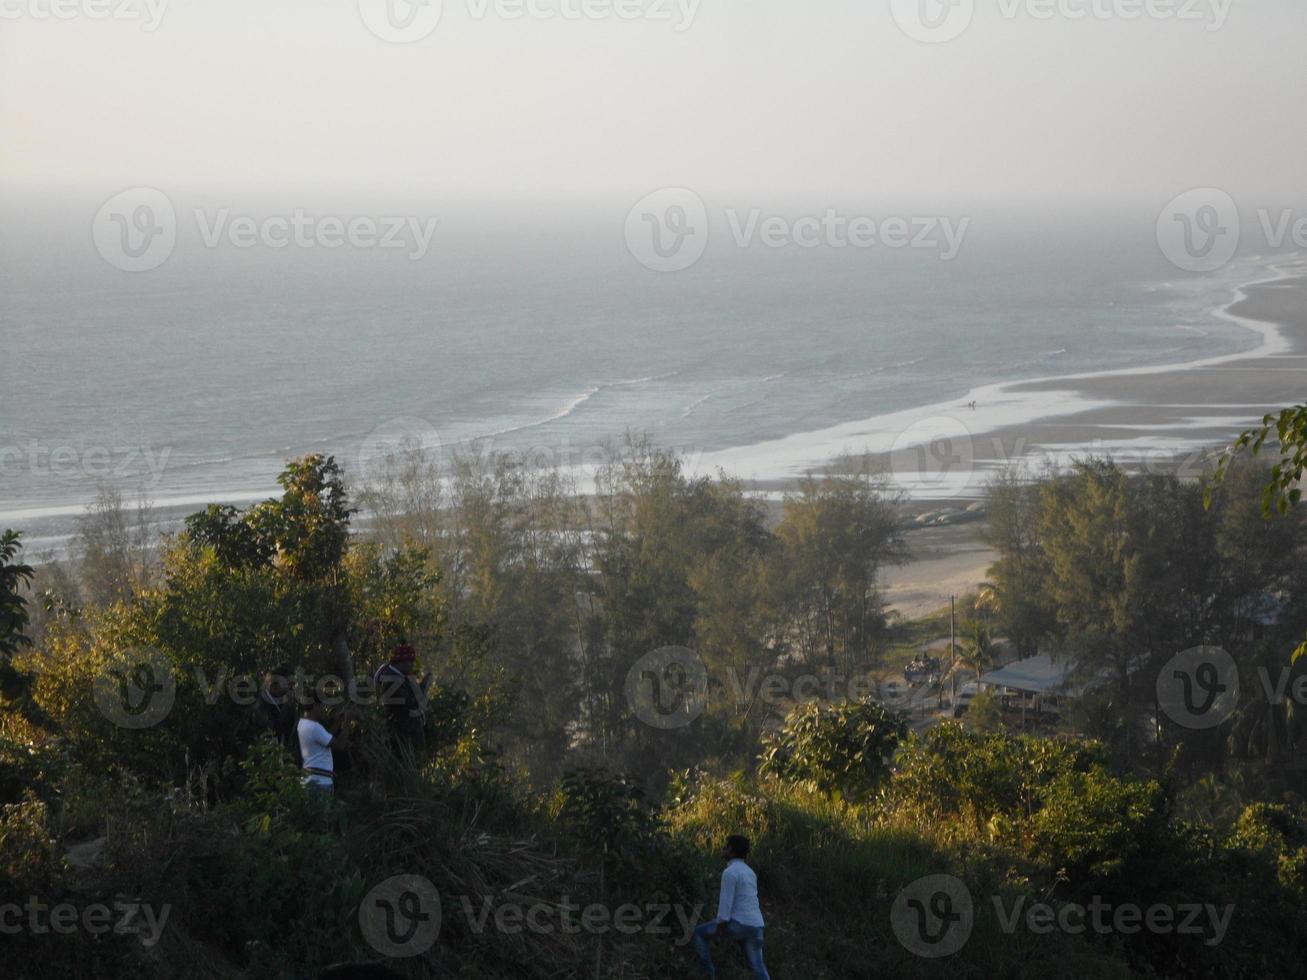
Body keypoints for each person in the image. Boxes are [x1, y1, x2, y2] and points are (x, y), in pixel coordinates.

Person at [692, 835, 770, 979]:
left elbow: (725, 906)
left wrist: (720, 925)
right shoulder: (750, 872)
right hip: (757, 925)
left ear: (732, 851)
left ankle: (708, 974)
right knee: (758, 966)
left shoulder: (730, 873)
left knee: (699, 933)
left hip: (738, 924)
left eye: (726, 847)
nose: (723, 849)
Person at [372, 644, 430, 750]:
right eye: (410, 662)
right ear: (402, 662)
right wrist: (423, 687)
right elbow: (408, 704)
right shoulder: (391, 679)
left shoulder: (401, 676)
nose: (412, 665)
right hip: (402, 738)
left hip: (407, 735)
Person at [297, 692, 350, 801]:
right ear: (315, 706)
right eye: (321, 706)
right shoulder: (314, 727)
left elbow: (324, 737)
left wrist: (338, 723)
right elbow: (340, 745)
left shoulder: (303, 723)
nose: (323, 710)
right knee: (321, 816)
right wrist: (347, 723)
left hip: (311, 779)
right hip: (319, 782)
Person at [250, 665, 298, 761]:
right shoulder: (261, 706)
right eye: (287, 684)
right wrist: (288, 705)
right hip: (267, 761)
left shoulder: (279, 702)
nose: (289, 688)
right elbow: (274, 729)